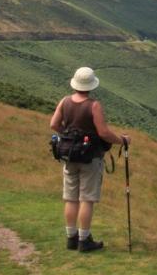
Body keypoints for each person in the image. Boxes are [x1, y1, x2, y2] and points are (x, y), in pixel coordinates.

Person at [49, 66, 129, 252]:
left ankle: (71, 238)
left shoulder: (65, 101)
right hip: (90, 157)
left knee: (71, 198)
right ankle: (84, 240)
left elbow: (53, 124)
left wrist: (69, 136)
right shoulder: (94, 105)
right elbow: (103, 132)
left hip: (69, 155)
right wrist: (122, 141)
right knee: (87, 198)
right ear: (91, 85)